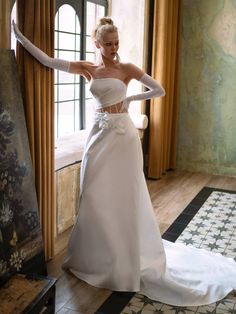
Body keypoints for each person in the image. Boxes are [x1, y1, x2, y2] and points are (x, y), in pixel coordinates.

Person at [13, 17, 236, 307]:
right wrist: (18, 37)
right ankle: (96, 256)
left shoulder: (127, 69)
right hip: (98, 137)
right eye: (108, 44)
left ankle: (125, 256)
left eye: (117, 42)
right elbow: (48, 60)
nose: (114, 47)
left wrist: (130, 100)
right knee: (93, 194)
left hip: (123, 138)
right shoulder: (87, 68)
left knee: (126, 196)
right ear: (97, 45)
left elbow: (159, 90)